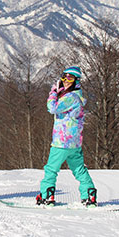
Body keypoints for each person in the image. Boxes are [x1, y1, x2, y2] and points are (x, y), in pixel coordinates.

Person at [36, 66, 97, 207]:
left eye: (70, 78)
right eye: (64, 76)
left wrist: (53, 92)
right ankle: (89, 195)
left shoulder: (71, 97)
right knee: (79, 169)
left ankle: (47, 195)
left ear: (77, 80)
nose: (66, 80)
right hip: (74, 142)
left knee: (51, 169)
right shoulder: (77, 96)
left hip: (62, 142)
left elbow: (52, 108)